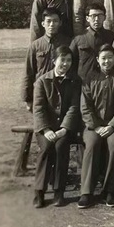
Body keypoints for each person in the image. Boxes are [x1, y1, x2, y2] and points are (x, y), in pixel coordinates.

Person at [32, 45, 82, 208]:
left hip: (65, 128)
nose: (65, 64)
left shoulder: (75, 81)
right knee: (46, 148)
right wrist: (46, 130)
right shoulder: (42, 81)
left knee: (61, 147)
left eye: (69, 60)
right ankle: (39, 191)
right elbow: (38, 108)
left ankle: (59, 191)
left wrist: (64, 129)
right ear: (54, 61)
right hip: (45, 128)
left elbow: (74, 107)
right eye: (62, 60)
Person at [78, 44, 114, 209]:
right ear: (98, 60)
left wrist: (112, 125)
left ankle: (109, 190)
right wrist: (97, 126)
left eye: (110, 58)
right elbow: (85, 107)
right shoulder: (89, 78)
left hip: (113, 126)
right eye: (103, 58)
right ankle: (86, 192)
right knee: (92, 144)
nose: (107, 61)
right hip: (93, 126)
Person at [22, 8, 72, 112]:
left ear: (60, 23)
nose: (52, 24)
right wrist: (27, 98)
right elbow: (28, 72)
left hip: (62, 90)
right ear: (43, 24)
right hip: (42, 90)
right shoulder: (35, 46)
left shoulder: (68, 43)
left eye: (55, 21)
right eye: (48, 21)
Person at [69, 2, 114, 81]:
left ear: (104, 17)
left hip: (106, 81)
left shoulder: (112, 37)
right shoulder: (78, 39)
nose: (97, 19)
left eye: (100, 16)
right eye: (93, 16)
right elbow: (71, 61)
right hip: (84, 82)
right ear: (87, 18)